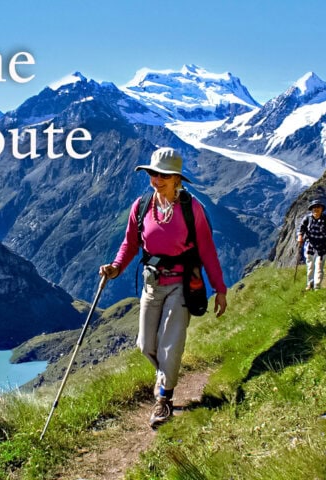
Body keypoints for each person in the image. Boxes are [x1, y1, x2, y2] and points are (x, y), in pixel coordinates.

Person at [99, 147, 227, 428]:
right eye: (153, 174)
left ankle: (163, 400)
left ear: (177, 179)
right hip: (151, 282)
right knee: (145, 344)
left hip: (182, 285)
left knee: (170, 344)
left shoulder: (192, 209)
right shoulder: (142, 205)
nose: (157, 180)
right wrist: (116, 268)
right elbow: (130, 243)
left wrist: (220, 289)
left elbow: (207, 250)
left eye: (164, 176)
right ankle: (165, 377)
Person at [297, 199, 326, 291]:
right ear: (312, 209)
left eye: (318, 207)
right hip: (310, 247)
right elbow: (301, 228)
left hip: (322, 248)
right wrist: (300, 236)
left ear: (322, 209)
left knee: (319, 267)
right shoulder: (307, 218)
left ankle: (317, 287)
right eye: (314, 208)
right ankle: (310, 284)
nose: (316, 209)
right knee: (310, 267)